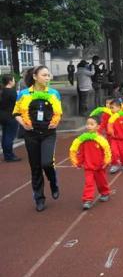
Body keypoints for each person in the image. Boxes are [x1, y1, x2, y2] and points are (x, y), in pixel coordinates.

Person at [13, 66, 62, 212]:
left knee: (47, 163)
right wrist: (24, 124)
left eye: (48, 75)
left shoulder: (54, 93)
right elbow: (16, 113)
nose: (47, 78)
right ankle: (39, 198)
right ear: (35, 76)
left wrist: (57, 121)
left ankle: (53, 183)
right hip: (31, 134)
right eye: (44, 75)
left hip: (48, 133)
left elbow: (58, 113)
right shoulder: (24, 94)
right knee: (35, 167)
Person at [72, 116, 111, 209]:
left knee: (102, 182)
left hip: (100, 167)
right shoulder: (83, 139)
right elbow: (80, 152)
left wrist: (106, 161)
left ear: (98, 126)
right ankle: (87, 200)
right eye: (88, 124)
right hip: (88, 167)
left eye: (92, 124)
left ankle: (105, 193)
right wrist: (78, 162)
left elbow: (106, 151)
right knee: (89, 183)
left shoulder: (101, 139)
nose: (89, 126)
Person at [0, 75, 21, 162]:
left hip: (2, 115)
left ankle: (6, 154)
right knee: (9, 136)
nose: (14, 82)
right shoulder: (12, 92)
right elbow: (17, 103)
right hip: (10, 116)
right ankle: (9, 155)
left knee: (5, 135)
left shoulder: (2, 91)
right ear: (9, 81)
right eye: (13, 80)